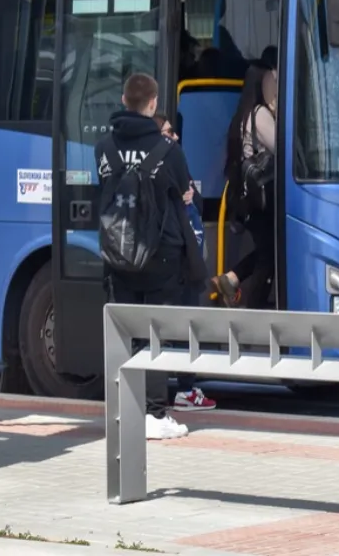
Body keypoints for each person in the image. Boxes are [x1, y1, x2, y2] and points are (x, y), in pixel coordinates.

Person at [96, 73, 206, 439]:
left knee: (126, 334)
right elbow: (184, 193)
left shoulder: (103, 148)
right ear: (153, 104)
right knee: (156, 333)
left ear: (124, 100)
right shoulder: (169, 152)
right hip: (161, 255)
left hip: (119, 254)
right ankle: (156, 414)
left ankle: (128, 411)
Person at [151, 112, 216, 412]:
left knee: (188, 322)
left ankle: (186, 388)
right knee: (180, 325)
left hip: (189, 260)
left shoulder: (177, 161)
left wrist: (190, 196)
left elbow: (199, 202)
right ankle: (185, 389)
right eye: (168, 131)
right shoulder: (156, 168)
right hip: (175, 261)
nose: (175, 136)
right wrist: (180, 199)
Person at [211, 65, 277, 310]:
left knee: (266, 250)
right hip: (261, 195)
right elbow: (282, 145)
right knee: (269, 254)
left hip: (248, 196)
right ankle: (253, 307)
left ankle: (230, 280)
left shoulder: (244, 113)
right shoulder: (260, 113)